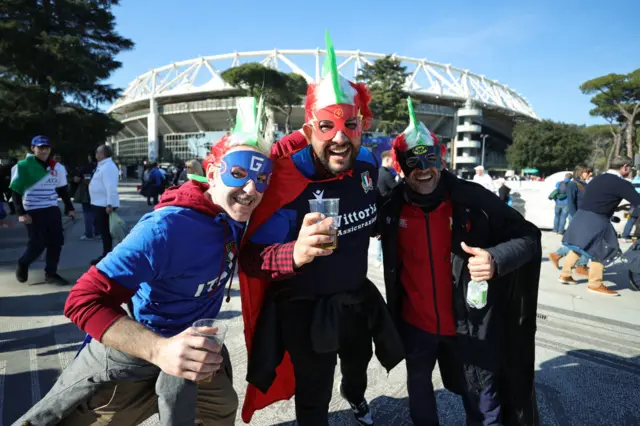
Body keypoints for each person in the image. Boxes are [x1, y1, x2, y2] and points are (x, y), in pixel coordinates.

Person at [15, 97, 273, 426]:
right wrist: (158, 350)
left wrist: (296, 252)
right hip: (135, 353)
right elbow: (82, 300)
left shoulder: (236, 217)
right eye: (237, 174)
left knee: (220, 412)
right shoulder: (167, 228)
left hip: (196, 355)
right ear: (211, 173)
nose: (251, 189)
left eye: (262, 178)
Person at [238, 32, 404, 426]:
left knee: (357, 368)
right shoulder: (287, 179)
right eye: (327, 127)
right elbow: (248, 257)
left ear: (362, 126)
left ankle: (356, 396)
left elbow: (380, 212)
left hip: (355, 298)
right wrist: (292, 253)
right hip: (306, 309)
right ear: (309, 128)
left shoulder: (365, 166)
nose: (340, 137)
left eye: (350, 125)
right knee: (314, 394)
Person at [379, 98, 541, 426]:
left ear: (442, 158)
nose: (423, 169)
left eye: (430, 159)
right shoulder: (392, 206)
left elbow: (529, 237)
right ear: (401, 167)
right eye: (413, 162)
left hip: (470, 327)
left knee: (484, 405)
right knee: (420, 397)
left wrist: (496, 259)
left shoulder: (471, 198)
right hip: (416, 327)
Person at [560, 156, 640, 296]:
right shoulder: (621, 183)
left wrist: (615, 207)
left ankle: (565, 274)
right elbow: (637, 200)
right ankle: (595, 283)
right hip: (597, 219)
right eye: (630, 168)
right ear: (625, 167)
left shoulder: (598, 178)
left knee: (580, 246)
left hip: (582, 215)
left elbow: (599, 198)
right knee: (605, 249)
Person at [10, 136, 76, 285]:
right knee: (38, 243)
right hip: (32, 209)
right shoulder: (23, 166)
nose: (44, 150)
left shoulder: (57, 168)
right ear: (33, 148)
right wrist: (20, 213)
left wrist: (69, 208)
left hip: (51, 208)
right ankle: (24, 262)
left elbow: (62, 190)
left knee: (56, 242)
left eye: (46, 147)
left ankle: (51, 273)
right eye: (40, 147)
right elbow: (16, 192)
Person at [549, 164, 591, 276]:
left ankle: (558, 255)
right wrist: (576, 217)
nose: (590, 174)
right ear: (580, 172)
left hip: (585, 216)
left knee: (581, 242)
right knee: (585, 242)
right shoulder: (573, 184)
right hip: (578, 216)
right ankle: (580, 265)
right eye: (588, 171)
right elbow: (571, 203)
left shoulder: (584, 184)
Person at [89, 144, 121, 265]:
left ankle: (107, 255)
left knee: (106, 232)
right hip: (98, 203)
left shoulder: (108, 167)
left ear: (103, 154)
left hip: (103, 205)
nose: (96, 154)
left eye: (97, 152)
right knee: (103, 231)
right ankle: (107, 253)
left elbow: (110, 187)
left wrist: (110, 204)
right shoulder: (102, 166)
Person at [375, 150, 397, 265]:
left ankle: (378, 257)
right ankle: (380, 258)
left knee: (381, 234)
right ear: (387, 159)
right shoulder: (387, 174)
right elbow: (397, 189)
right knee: (385, 235)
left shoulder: (377, 172)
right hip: (387, 207)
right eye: (392, 161)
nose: (393, 163)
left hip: (380, 208)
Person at [73, 152, 99, 240]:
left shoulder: (86, 167)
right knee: (97, 214)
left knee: (87, 214)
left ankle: (89, 233)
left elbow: (76, 179)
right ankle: (98, 233)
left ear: (90, 157)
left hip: (86, 194)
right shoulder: (100, 167)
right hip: (99, 194)